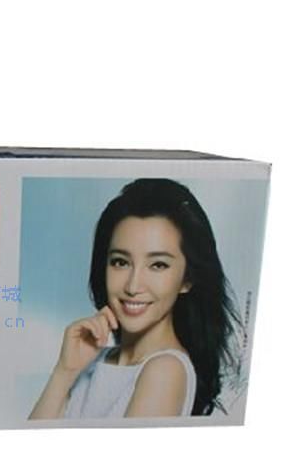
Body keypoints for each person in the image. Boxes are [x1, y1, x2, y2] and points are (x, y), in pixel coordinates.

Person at [29, 179, 240, 419]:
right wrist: (64, 371)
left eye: (158, 265)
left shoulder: (165, 370)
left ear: (187, 278)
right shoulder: (92, 361)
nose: (132, 286)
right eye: (121, 262)